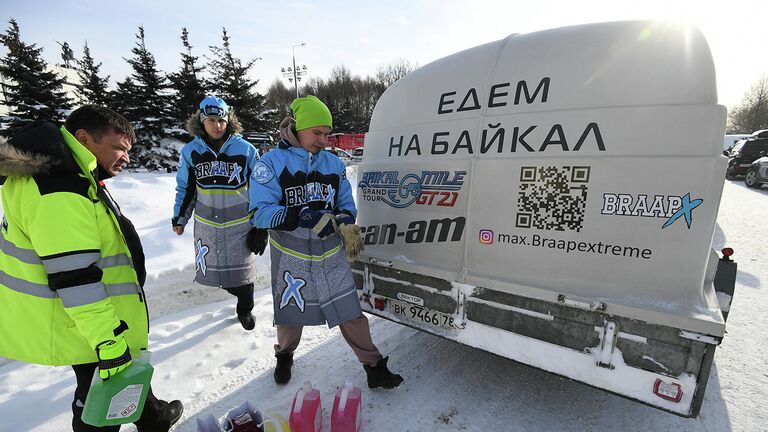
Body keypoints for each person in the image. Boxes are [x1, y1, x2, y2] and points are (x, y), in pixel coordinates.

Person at [0, 105, 183, 431]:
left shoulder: (73, 173)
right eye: (118, 148)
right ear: (84, 138)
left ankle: (152, 416)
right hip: (85, 322)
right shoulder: (58, 190)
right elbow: (75, 279)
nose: (126, 157)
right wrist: (109, 342)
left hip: (92, 317)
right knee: (98, 404)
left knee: (116, 379)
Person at [248, 95, 404, 389]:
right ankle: (284, 355)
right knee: (291, 315)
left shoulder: (333, 164)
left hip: (329, 252)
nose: (323, 140)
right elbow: (259, 213)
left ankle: (374, 367)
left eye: (327, 134)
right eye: (316, 133)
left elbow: (345, 201)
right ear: (297, 128)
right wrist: (302, 216)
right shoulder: (269, 164)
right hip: (290, 254)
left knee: (349, 311)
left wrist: (346, 222)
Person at [172, 96, 264, 330]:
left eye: (221, 120)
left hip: (240, 225)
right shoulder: (191, 152)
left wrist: (262, 226)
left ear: (228, 121)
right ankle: (236, 296)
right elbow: (186, 188)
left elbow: (262, 189)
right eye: (211, 120)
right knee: (214, 273)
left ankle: (245, 310)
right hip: (208, 226)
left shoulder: (246, 150)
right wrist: (180, 217)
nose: (217, 125)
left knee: (244, 276)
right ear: (201, 121)